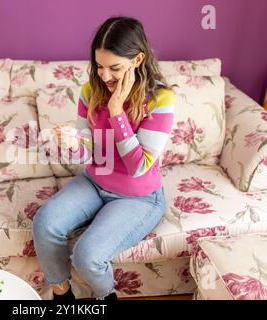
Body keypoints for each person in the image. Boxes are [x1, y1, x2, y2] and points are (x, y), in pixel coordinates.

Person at [33, 16, 175, 301]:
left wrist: (116, 111)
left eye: (115, 68)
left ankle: (105, 297)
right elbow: (88, 152)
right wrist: (73, 143)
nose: (105, 76)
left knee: (88, 256)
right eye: (99, 66)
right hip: (94, 181)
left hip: (139, 197)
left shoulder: (161, 99)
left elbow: (138, 166)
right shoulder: (91, 89)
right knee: (45, 223)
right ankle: (62, 297)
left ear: (137, 60)